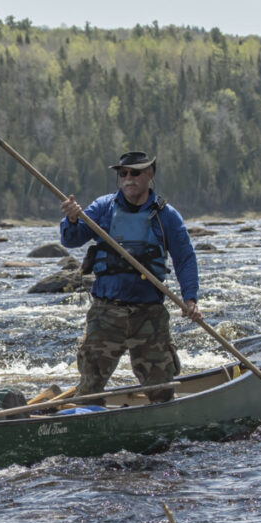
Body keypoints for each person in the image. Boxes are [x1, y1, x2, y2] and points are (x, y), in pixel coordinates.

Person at [60, 150, 203, 403]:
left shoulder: (166, 216)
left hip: (149, 313)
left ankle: (163, 418)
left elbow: (185, 259)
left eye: (135, 173)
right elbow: (71, 239)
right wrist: (71, 219)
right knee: (90, 385)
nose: (128, 178)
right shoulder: (103, 208)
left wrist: (190, 298)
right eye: (123, 173)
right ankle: (88, 416)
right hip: (107, 311)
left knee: (161, 388)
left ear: (150, 174)